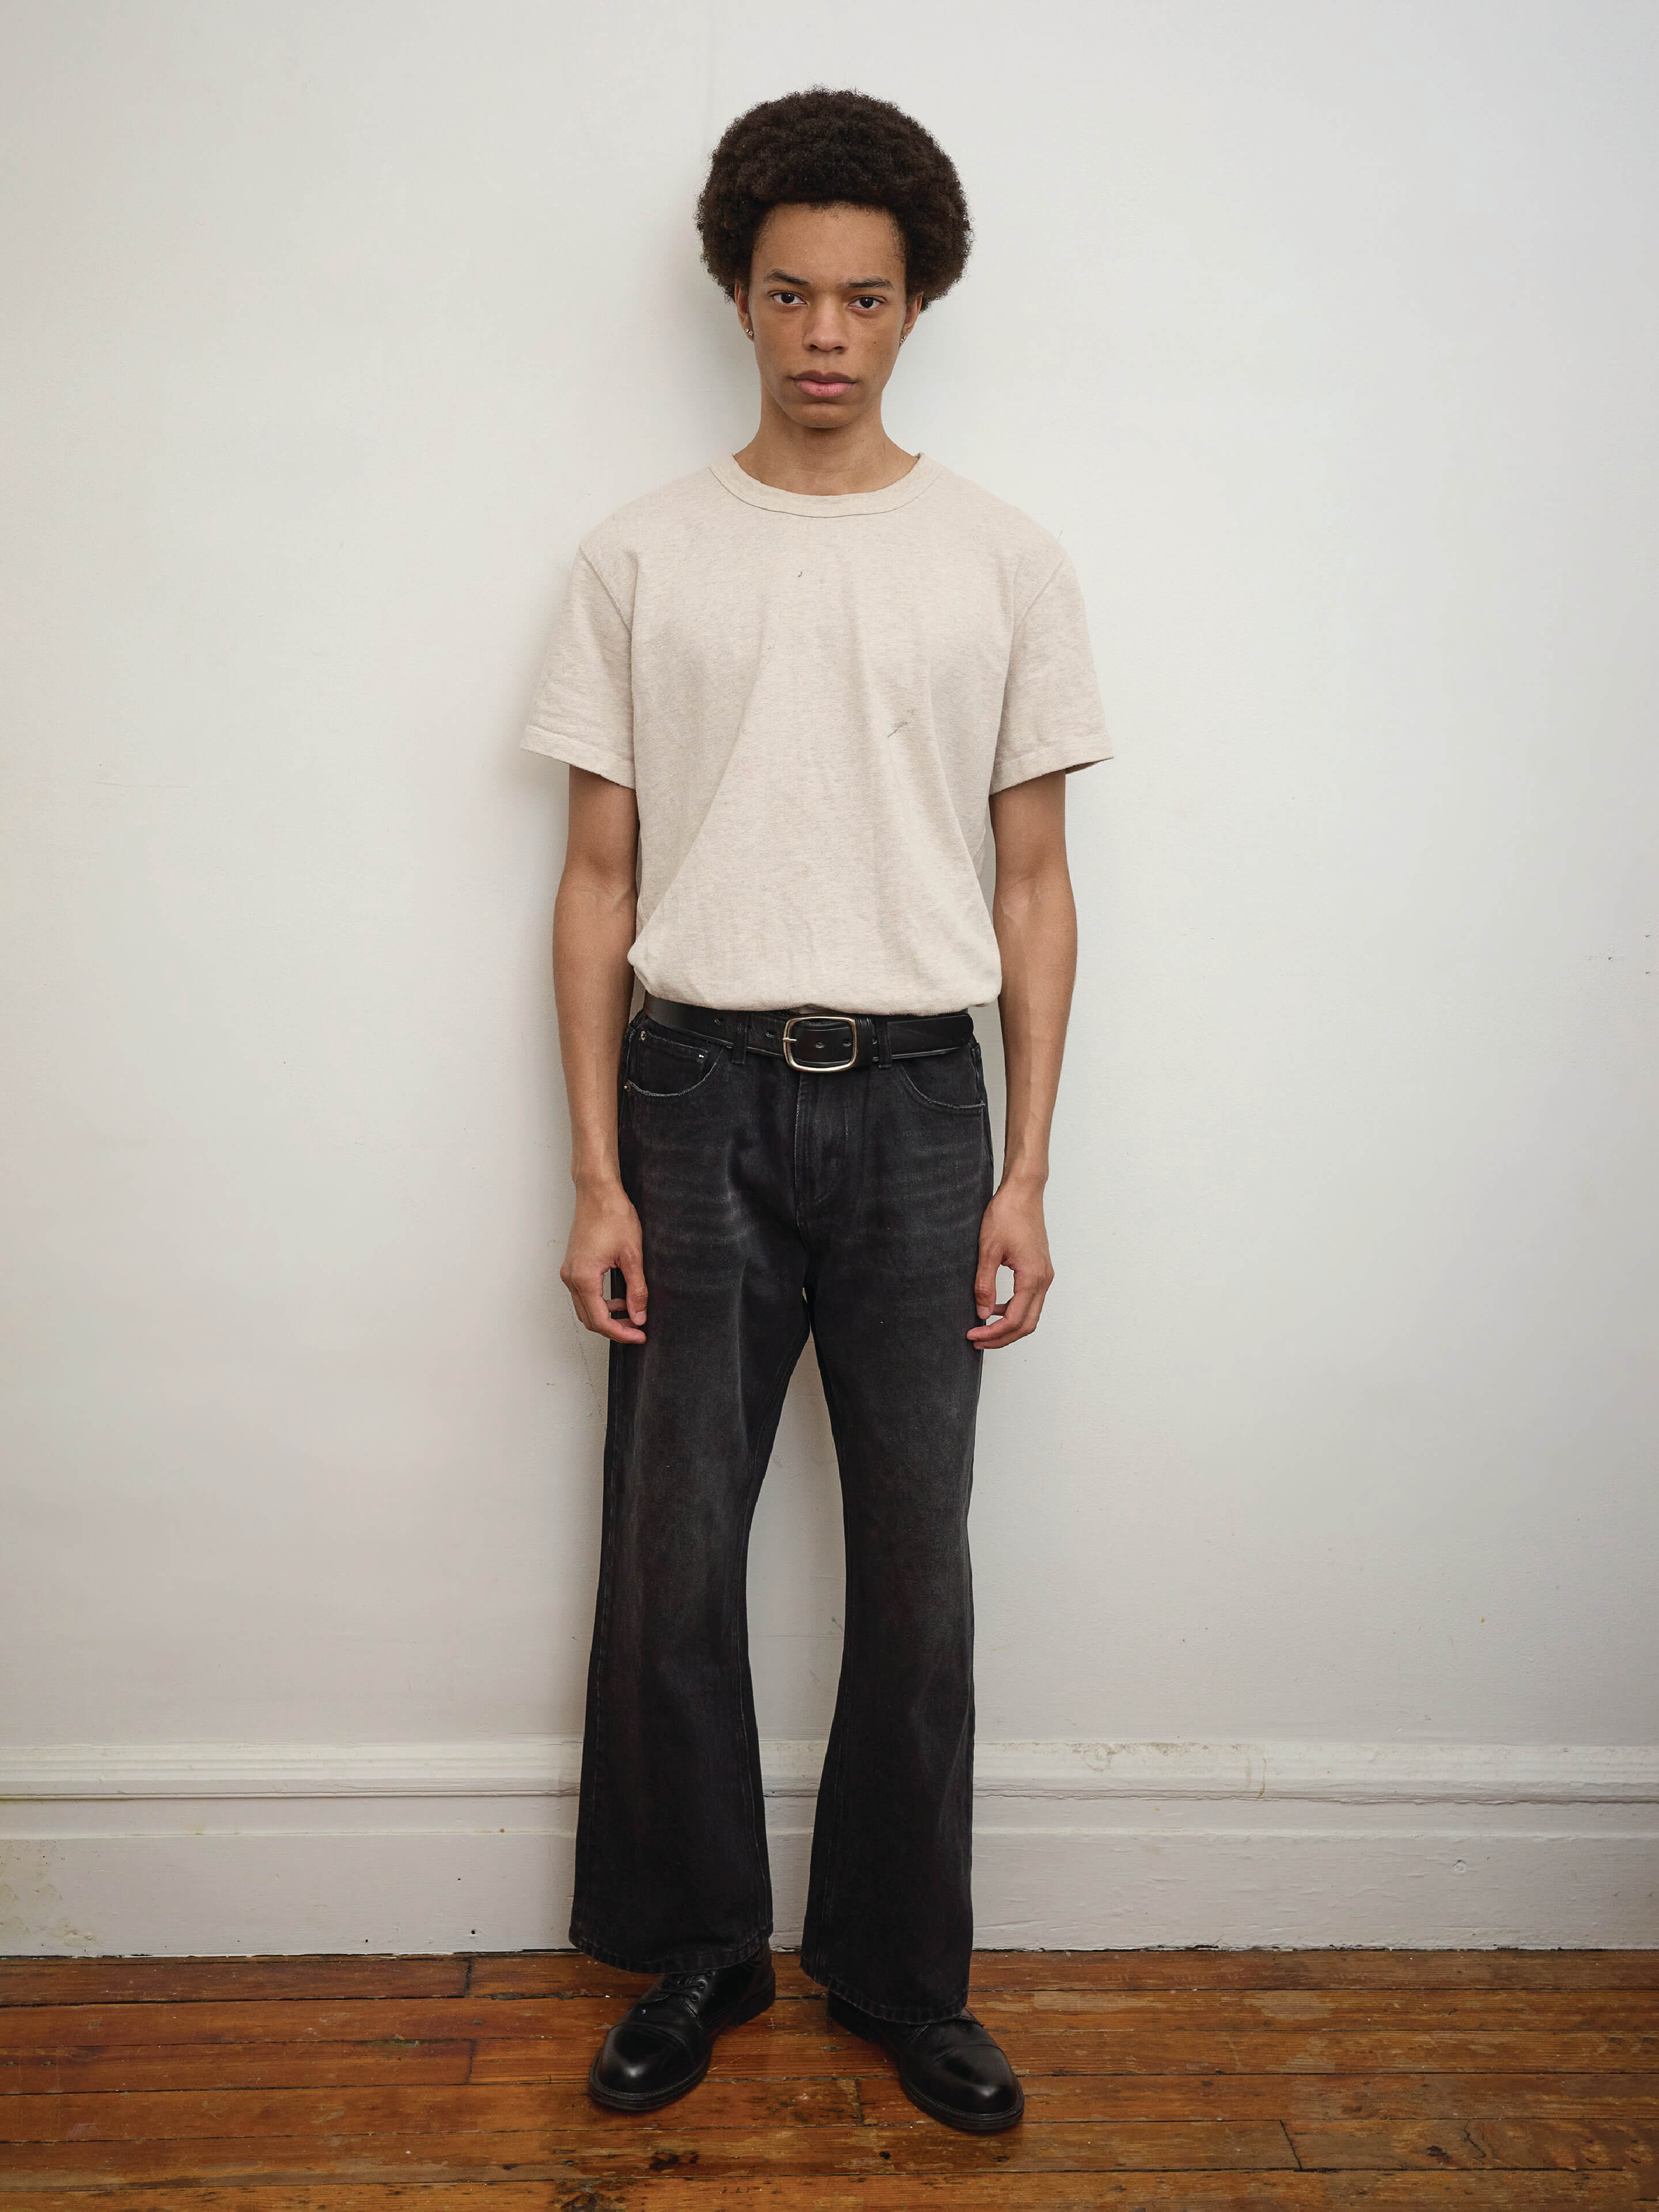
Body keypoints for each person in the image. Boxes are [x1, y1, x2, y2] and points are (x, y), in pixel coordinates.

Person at [522, 86, 1109, 2134]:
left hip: (928, 1105)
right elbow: (599, 879)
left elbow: (1031, 882)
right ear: (740, 296)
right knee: (672, 1556)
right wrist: (593, 1170)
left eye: (866, 296)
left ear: (920, 300)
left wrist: (1028, 1163)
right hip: (691, 1098)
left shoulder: (1005, 559)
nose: (826, 334)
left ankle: (901, 1967)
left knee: (921, 1567)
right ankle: (699, 1951)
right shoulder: (641, 553)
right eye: (791, 293)